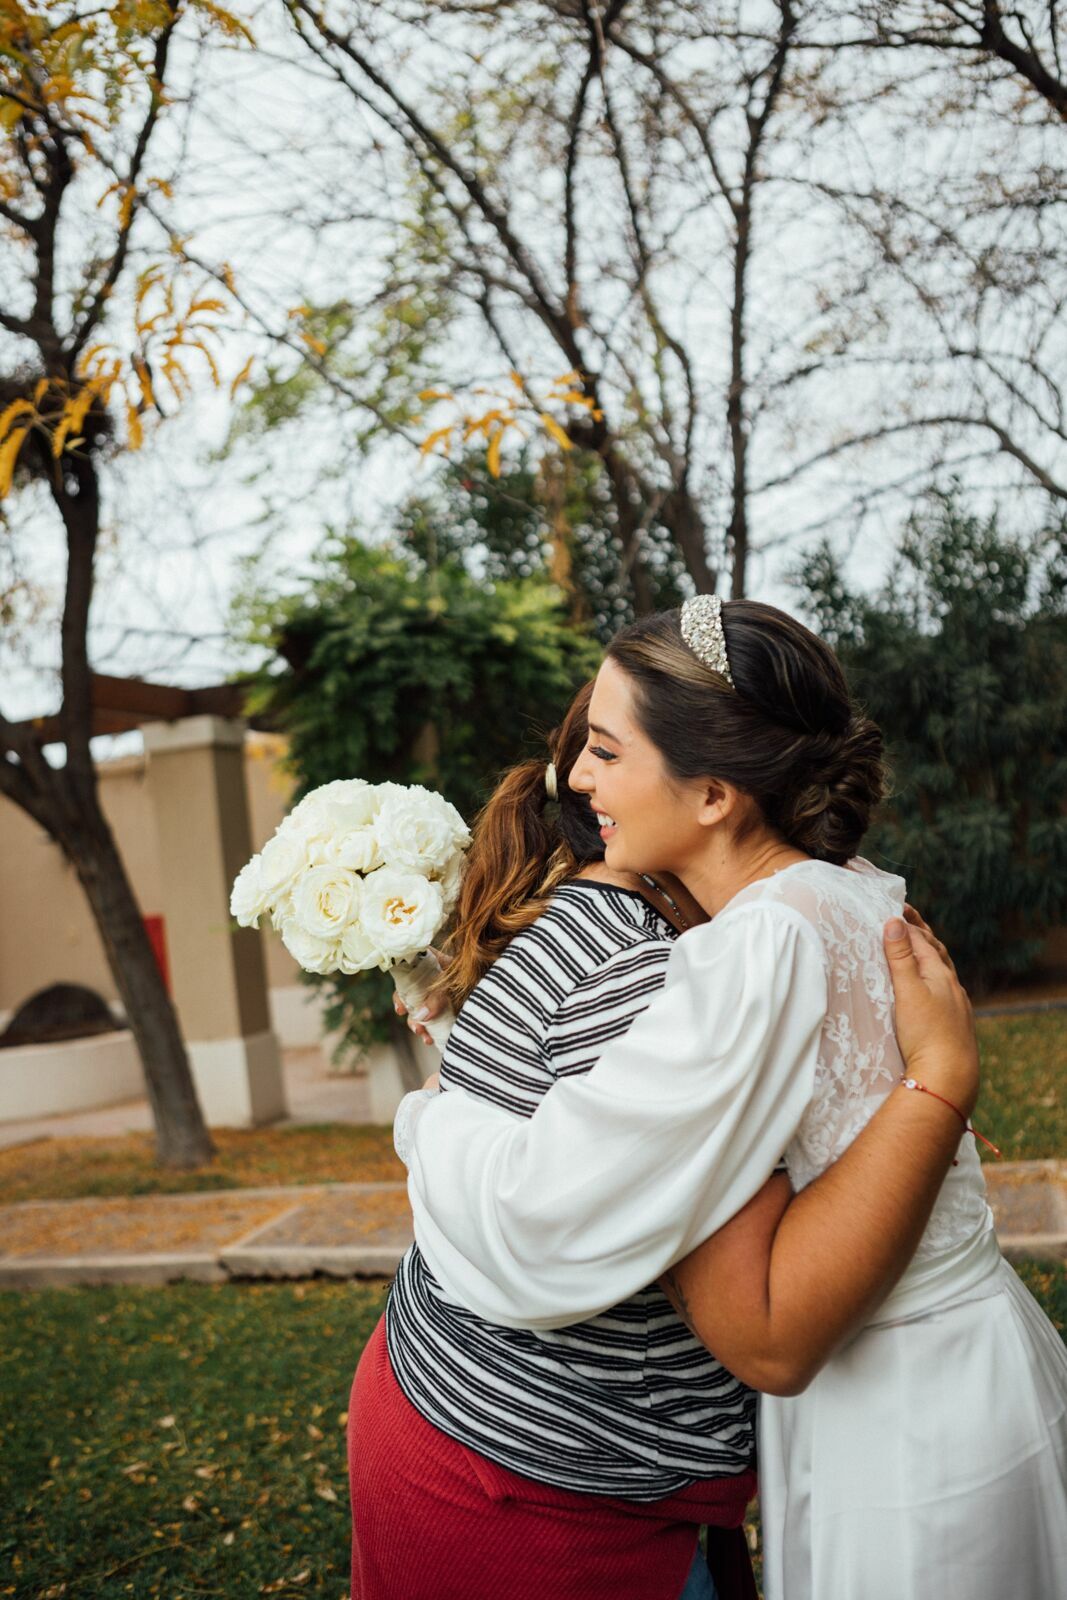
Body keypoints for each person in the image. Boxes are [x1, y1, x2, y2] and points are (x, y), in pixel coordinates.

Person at [397, 598, 1067, 1600]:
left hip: (897, 1419)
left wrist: (436, 1120)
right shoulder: (855, 888)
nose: (576, 778)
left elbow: (567, 1218)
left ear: (712, 793)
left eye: (607, 752)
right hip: (984, 1360)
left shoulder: (748, 952)